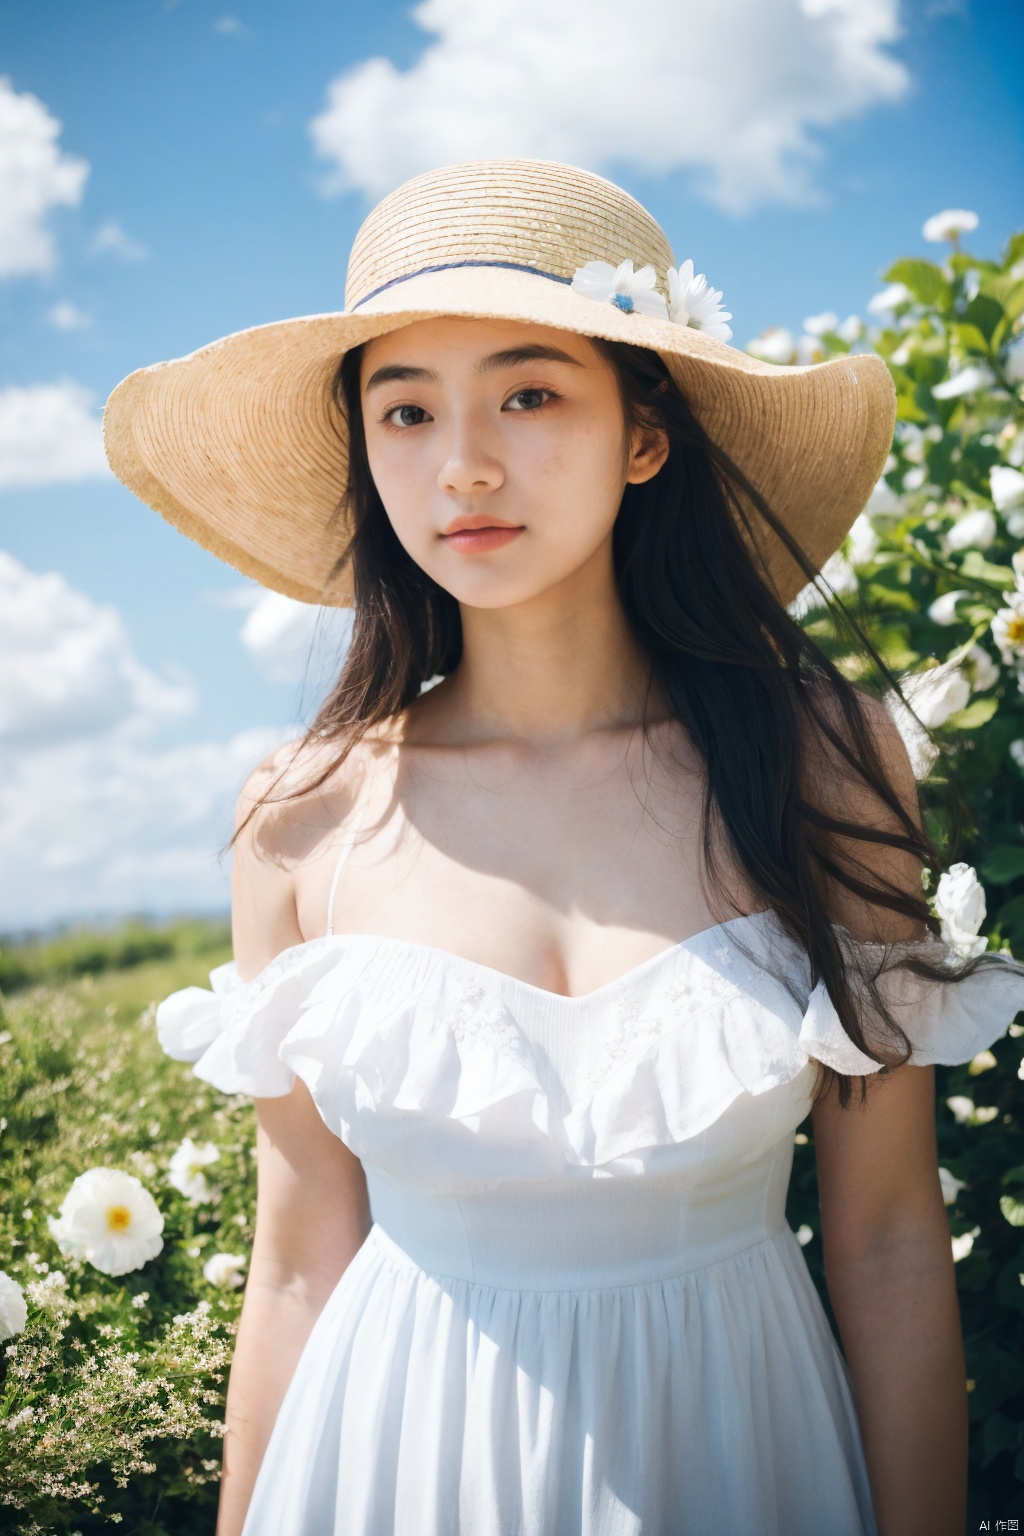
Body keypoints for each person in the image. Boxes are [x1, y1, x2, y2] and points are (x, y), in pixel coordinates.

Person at [105, 158, 1024, 1536]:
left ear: (643, 434)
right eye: (404, 409)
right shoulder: (303, 818)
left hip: (742, 1444)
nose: (463, 462)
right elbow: (298, 1267)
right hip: (393, 1461)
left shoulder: (818, 757)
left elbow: (890, 1240)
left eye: (529, 393)